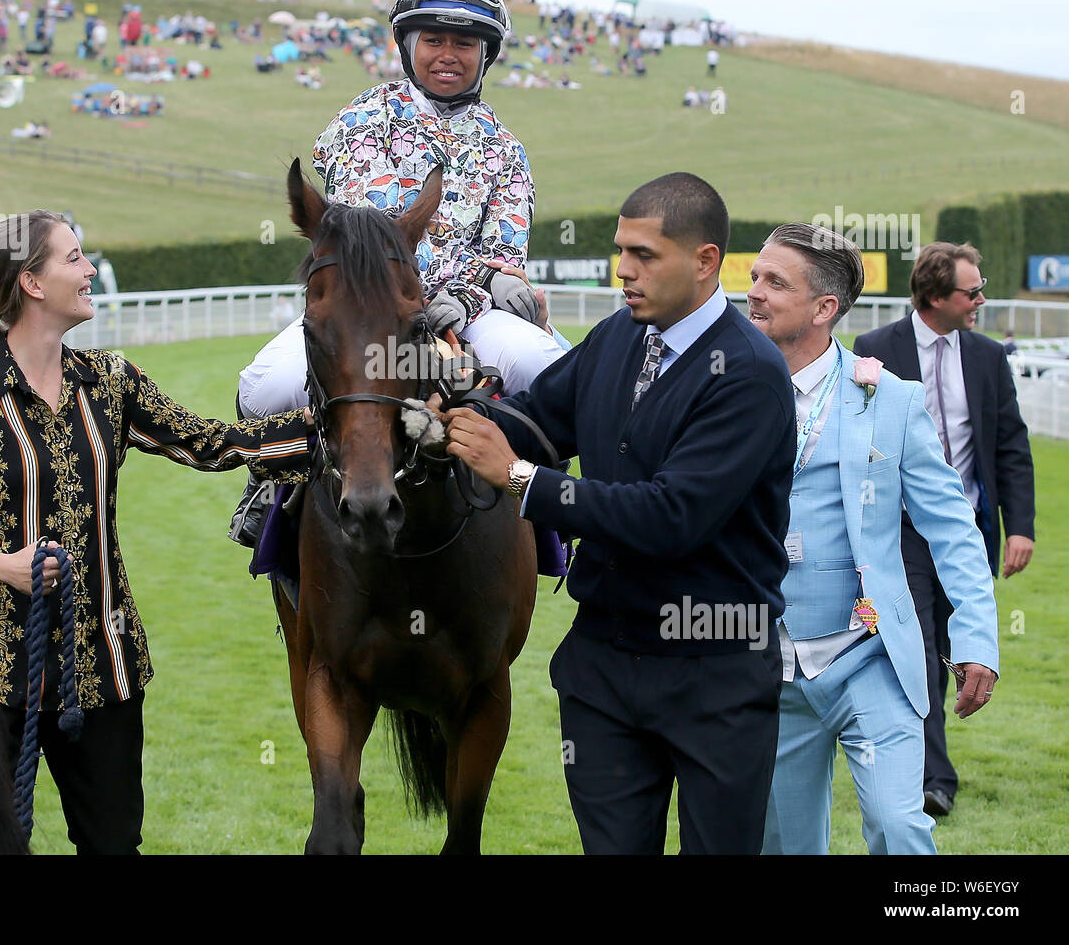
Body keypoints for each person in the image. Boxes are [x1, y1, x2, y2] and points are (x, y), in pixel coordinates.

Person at [0, 210, 315, 854]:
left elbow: (213, 445)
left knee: (112, 847)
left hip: (103, 673)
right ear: (31, 282)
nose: (88, 271)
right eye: (74, 258)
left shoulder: (108, 381)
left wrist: (339, 427)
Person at [442, 172, 796, 854]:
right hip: (601, 671)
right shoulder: (615, 336)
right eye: (620, 251)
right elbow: (536, 421)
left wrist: (518, 477)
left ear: (704, 261)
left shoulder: (750, 372)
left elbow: (670, 516)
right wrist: (446, 415)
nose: (623, 272)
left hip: (716, 673)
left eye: (644, 255)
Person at [230, 0, 565, 544]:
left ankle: (554, 509)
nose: (447, 54)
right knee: (266, 388)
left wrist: (466, 298)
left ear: (486, 55)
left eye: (464, 43)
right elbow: (366, 238)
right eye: (433, 39)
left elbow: (504, 251)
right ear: (408, 46)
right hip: (370, 313)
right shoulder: (360, 121)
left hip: (471, 315)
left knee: (553, 374)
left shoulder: (507, 149)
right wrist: (425, 300)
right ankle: (270, 485)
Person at [746, 224, 999, 854]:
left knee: (898, 826)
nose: (753, 293)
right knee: (786, 845)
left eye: (775, 282)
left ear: (825, 308)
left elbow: (952, 528)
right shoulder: (725, 393)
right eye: (755, 276)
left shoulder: (891, 399)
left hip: (872, 656)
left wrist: (976, 639)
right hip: (765, 663)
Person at [854, 241, 1033, 819]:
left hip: (968, 531)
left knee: (962, 649)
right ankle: (933, 778)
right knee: (919, 649)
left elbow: (1010, 444)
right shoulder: (873, 350)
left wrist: (1020, 528)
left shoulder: (986, 356)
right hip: (901, 533)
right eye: (972, 291)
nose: (981, 299)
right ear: (935, 295)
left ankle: (921, 759)